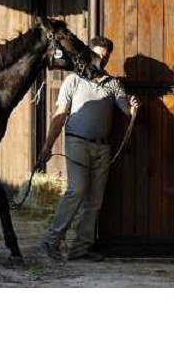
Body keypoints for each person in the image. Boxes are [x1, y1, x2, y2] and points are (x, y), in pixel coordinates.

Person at [39, 36, 140, 261]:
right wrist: (47, 146)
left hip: (102, 147)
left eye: (105, 58)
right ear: (88, 55)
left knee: (95, 200)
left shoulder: (113, 84)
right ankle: (51, 241)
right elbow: (59, 115)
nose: (100, 61)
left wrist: (133, 108)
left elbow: (125, 109)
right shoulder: (73, 80)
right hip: (77, 142)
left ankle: (80, 249)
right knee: (77, 189)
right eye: (97, 56)